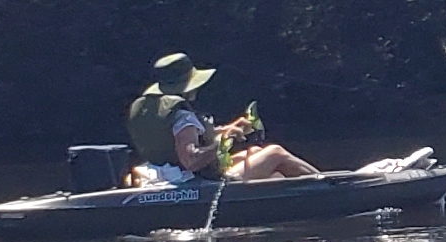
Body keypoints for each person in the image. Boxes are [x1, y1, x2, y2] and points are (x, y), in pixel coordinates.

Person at [124, 53, 321, 187]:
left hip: (171, 173)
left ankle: (312, 185)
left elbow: (182, 138)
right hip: (194, 181)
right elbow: (191, 160)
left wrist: (228, 129)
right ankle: (331, 184)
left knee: (255, 151)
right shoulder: (182, 115)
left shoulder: (154, 110)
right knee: (275, 153)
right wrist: (224, 142)